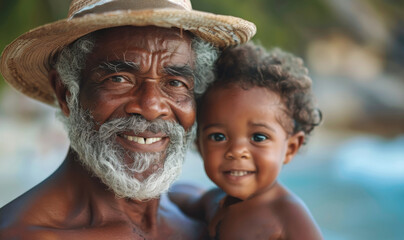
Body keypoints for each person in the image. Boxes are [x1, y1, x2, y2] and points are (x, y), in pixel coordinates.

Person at [0, 0, 256, 239]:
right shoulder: (23, 233)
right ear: (66, 93)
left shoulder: (208, 214)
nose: (151, 107)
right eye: (119, 79)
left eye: (176, 83)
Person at [169, 42, 324, 239]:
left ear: (290, 148)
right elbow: (181, 197)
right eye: (218, 137)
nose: (237, 150)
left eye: (258, 137)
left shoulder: (287, 214)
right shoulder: (214, 202)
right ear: (199, 144)